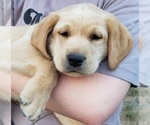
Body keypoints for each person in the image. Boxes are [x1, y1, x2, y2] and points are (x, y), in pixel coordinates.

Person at [1, 0, 140, 125]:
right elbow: (10, 52)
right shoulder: (39, 35)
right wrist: (46, 74)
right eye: (64, 33)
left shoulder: (125, 10)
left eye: (95, 36)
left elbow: (92, 109)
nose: (76, 55)